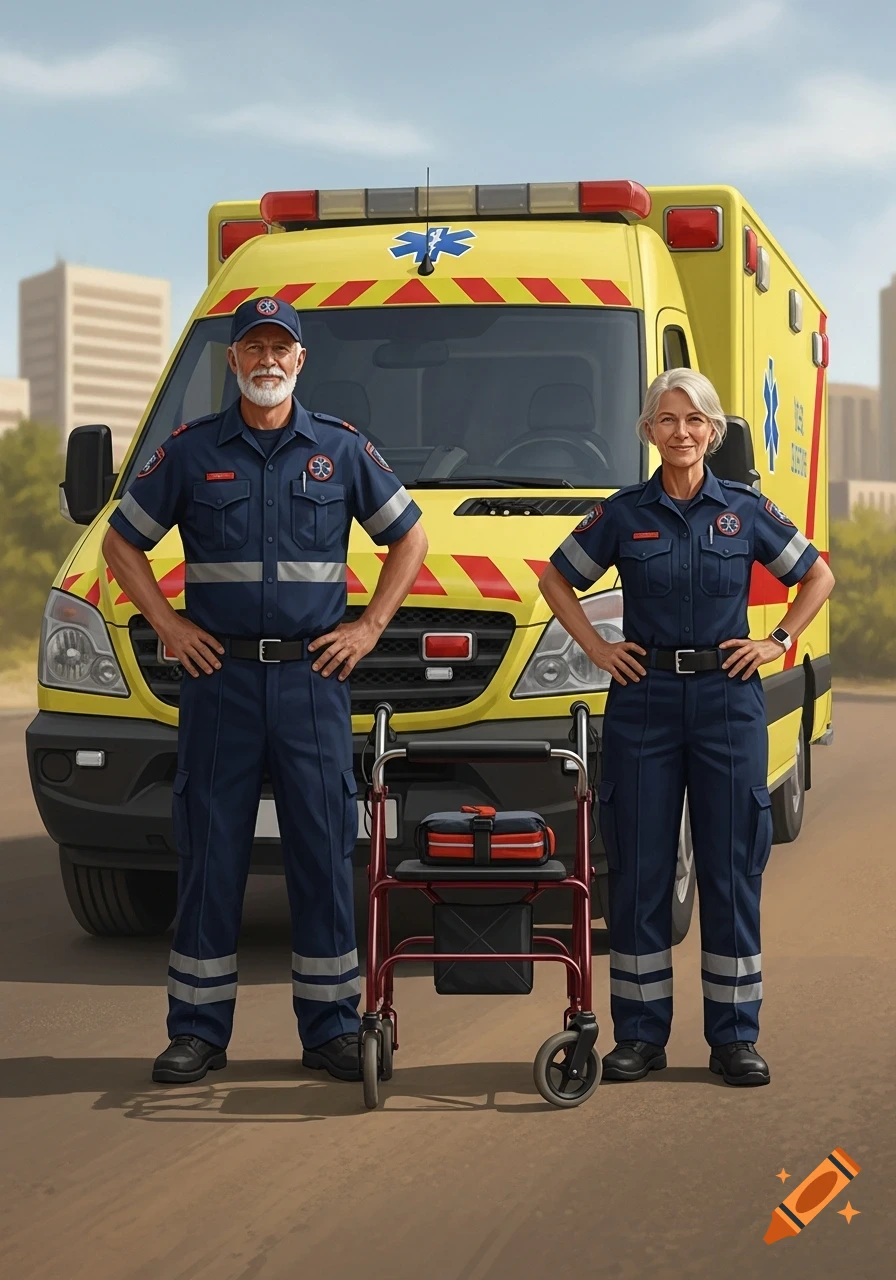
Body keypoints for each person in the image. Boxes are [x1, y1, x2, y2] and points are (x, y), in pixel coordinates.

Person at [103, 296, 428, 1084]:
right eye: (253, 347)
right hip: (221, 685)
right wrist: (170, 630)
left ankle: (329, 1031)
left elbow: (409, 535)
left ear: (301, 361)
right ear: (233, 360)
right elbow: (121, 543)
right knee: (211, 852)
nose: (267, 360)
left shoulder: (342, 451)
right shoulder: (189, 452)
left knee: (322, 849)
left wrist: (370, 629)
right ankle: (198, 1033)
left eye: (280, 347)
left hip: (314, 682)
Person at [539, 368, 834, 1087]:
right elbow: (555, 579)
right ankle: (639, 1037)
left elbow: (817, 575)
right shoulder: (622, 514)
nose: (680, 433)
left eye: (693, 420)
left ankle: (734, 1036)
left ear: (713, 431)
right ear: (648, 433)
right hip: (644, 702)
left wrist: (779, 642)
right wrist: (597, 648)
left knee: (732, 869)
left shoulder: (744, 511)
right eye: (666, 421)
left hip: (727, 702)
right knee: (640, 871)